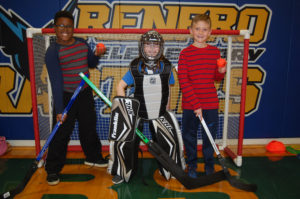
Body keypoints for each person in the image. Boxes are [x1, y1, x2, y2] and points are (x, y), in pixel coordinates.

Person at [107, 30, 186, 184]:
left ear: (161, 47)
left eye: (155, 45)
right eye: (148, 45)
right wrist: (125, 111)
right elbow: (120, 87)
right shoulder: (136, 67)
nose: (151, 49)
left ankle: (172, 169)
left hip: (160, 111)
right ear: (141, 47)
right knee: (124, 141)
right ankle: (122, 171)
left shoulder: (167, 67)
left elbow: (168, 90)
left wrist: (167, 109)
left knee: (170, 141)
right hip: (138, 112)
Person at [44, 10, 107, 186]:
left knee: (89, 127)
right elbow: (56, 82)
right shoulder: (52, 51)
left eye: (69, 26)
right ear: (55, 28)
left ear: (73, 28)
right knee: (61, 133)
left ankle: (93, 157)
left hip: (84, 93)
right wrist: (59, 110)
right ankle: (53, 169)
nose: (65, 29)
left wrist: (96, 53)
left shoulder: (81, 43)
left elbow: (91, 63)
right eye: (61, 26)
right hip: (65, 96)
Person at [177, 14, 226, 178]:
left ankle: (209, 164)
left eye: (204, 29)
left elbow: (216, 78)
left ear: (210, 32)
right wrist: (196, 104)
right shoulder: (185, 54)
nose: (200, 32)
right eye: (197, 29)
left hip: (210, 103)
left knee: (209, 137)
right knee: (189, 136)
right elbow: (184, 81)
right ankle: (191, 164)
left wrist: (220, 72)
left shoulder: (215, 52)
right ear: (191, 30)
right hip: (191, 105)